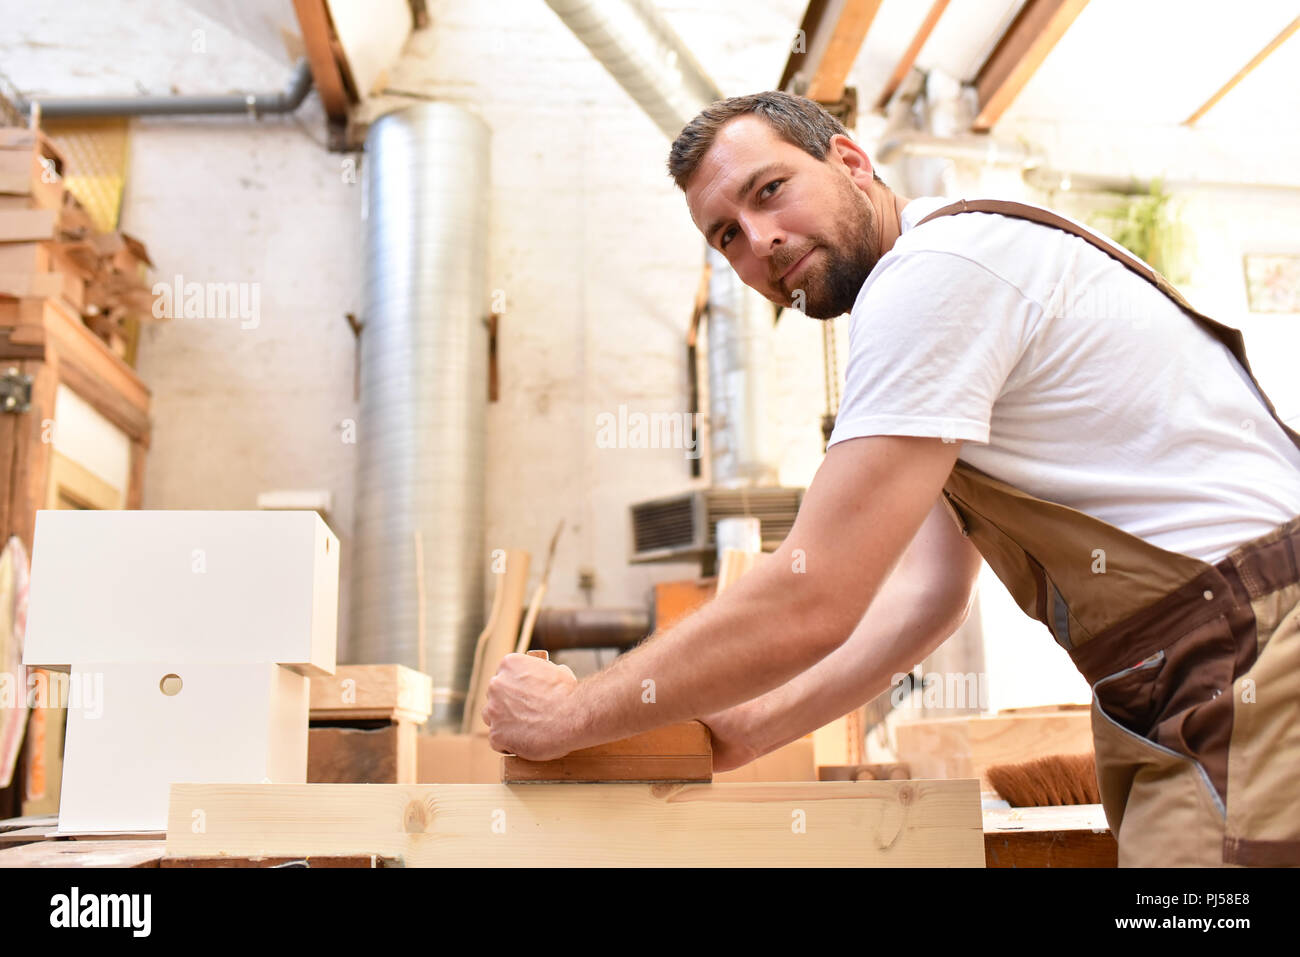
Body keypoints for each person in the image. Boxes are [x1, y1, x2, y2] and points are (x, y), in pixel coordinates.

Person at [484, 91, 1300, 867]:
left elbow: (813, 596)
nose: (758, 239)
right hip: (1193, 662)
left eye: (770, 190)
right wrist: (749, 728)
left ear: (851, 159)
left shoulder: (932, 275)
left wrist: (569, 712)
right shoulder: (937, 287)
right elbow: (927, 596)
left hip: (1245, 650)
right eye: (726, 235)